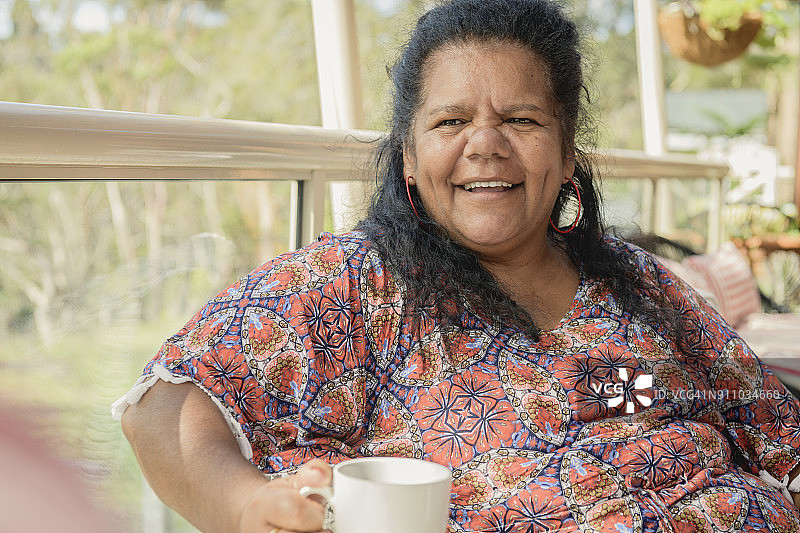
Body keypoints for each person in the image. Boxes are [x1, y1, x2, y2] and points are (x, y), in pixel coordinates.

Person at [114, 0, 800, 531]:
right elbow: (164, 403)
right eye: (449, 122)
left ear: (566, 156)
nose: (485, 145)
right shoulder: (356, 285)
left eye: (523, 120)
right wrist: (247, 507)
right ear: (409, 158)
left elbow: (743, 412)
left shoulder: (634, 282)